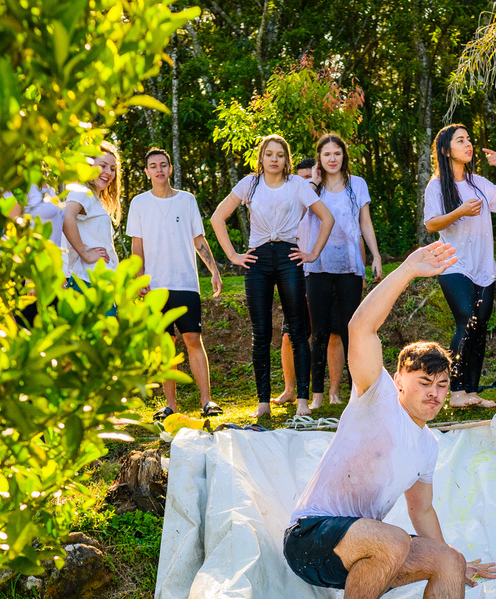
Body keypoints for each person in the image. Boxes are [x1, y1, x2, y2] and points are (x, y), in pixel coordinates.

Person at [283, 240, 496, 599]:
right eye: (424, 383)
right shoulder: (376, 395)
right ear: (399, 380)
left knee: (446, 558)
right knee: (395, 538)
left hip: (365, 558)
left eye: (442, 386)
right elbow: (360, 325)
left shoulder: (428, 445)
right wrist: (407, 268)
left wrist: (454, 565)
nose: (435, 394)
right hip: (311, 538)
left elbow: (422, 511)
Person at [210, 135, 335, 419]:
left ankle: (302, 398)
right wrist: (233, 256)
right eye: (269, 154)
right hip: (258, 261)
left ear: (286, 159)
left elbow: (327, 217)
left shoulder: (298, 185)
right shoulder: (249, 184)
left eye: (280, 154)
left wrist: (312, 253)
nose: (275, 159)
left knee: (298, 330)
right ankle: (263, 401)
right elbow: (218, 218)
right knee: (261, 332)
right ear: (261, 158)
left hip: (290, 257)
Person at [127, 147, 225, 420]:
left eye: (163, 165)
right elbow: (137, 246)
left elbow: (199, 240)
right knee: (165, 344)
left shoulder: (187, 200)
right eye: (153, 166)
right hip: (155, 285)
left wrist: (214, 270)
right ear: (147, 173)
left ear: (170, 169)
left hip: (185, 282)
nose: (159, 169)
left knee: (193, 338)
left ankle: (207, 401)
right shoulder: (139, 203)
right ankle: (171, 405)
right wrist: (139, 279)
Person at [424, 124, 496, 409]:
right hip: (453, 265)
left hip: (484, 268)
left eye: (469, 140)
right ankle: (455, 390)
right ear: (445, 149)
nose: (468, 144)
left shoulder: (478, 183)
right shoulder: (437, 186)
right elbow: (431, 224)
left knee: (479, 327)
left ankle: (471, 392)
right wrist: (460, 211)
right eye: (460, 140)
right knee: (466, 320)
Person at [298, 134, 385, 411]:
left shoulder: (357, 185)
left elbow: (366, 223)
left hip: (350, 267)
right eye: (326, 155)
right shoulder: (310, 188)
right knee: (320, 331)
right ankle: (317, 395)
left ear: (343, 156)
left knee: (352, 331)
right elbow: (296, 215)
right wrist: (311, 182)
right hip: (317, 266)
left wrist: (376, 255)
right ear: (319, 160)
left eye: (337, 153)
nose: (332, 158)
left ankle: (356, 392)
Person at [273, 157, 348, 408]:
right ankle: (290, 389)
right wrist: (310, 186)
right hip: (297, 273)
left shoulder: (329, 196)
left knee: (332, 333)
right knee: (290, 335)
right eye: (302, 179)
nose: (306, 184)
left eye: (311, 178)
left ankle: (334, 391)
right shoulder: (294, 199)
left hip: (329, 272)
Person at [62, 143, 122, 298]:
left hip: (100, 281)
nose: (108, 172)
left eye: (112, 168)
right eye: (103, 166)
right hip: (89, 281)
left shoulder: (94, 198)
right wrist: (86, 255)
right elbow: (66, 217)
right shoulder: (83, 192)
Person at [6, 183, 64, 328]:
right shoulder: (22, 184)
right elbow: (12, 231)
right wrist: (29, 277)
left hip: (51, 276)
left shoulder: (47, 187)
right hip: (31, 277)